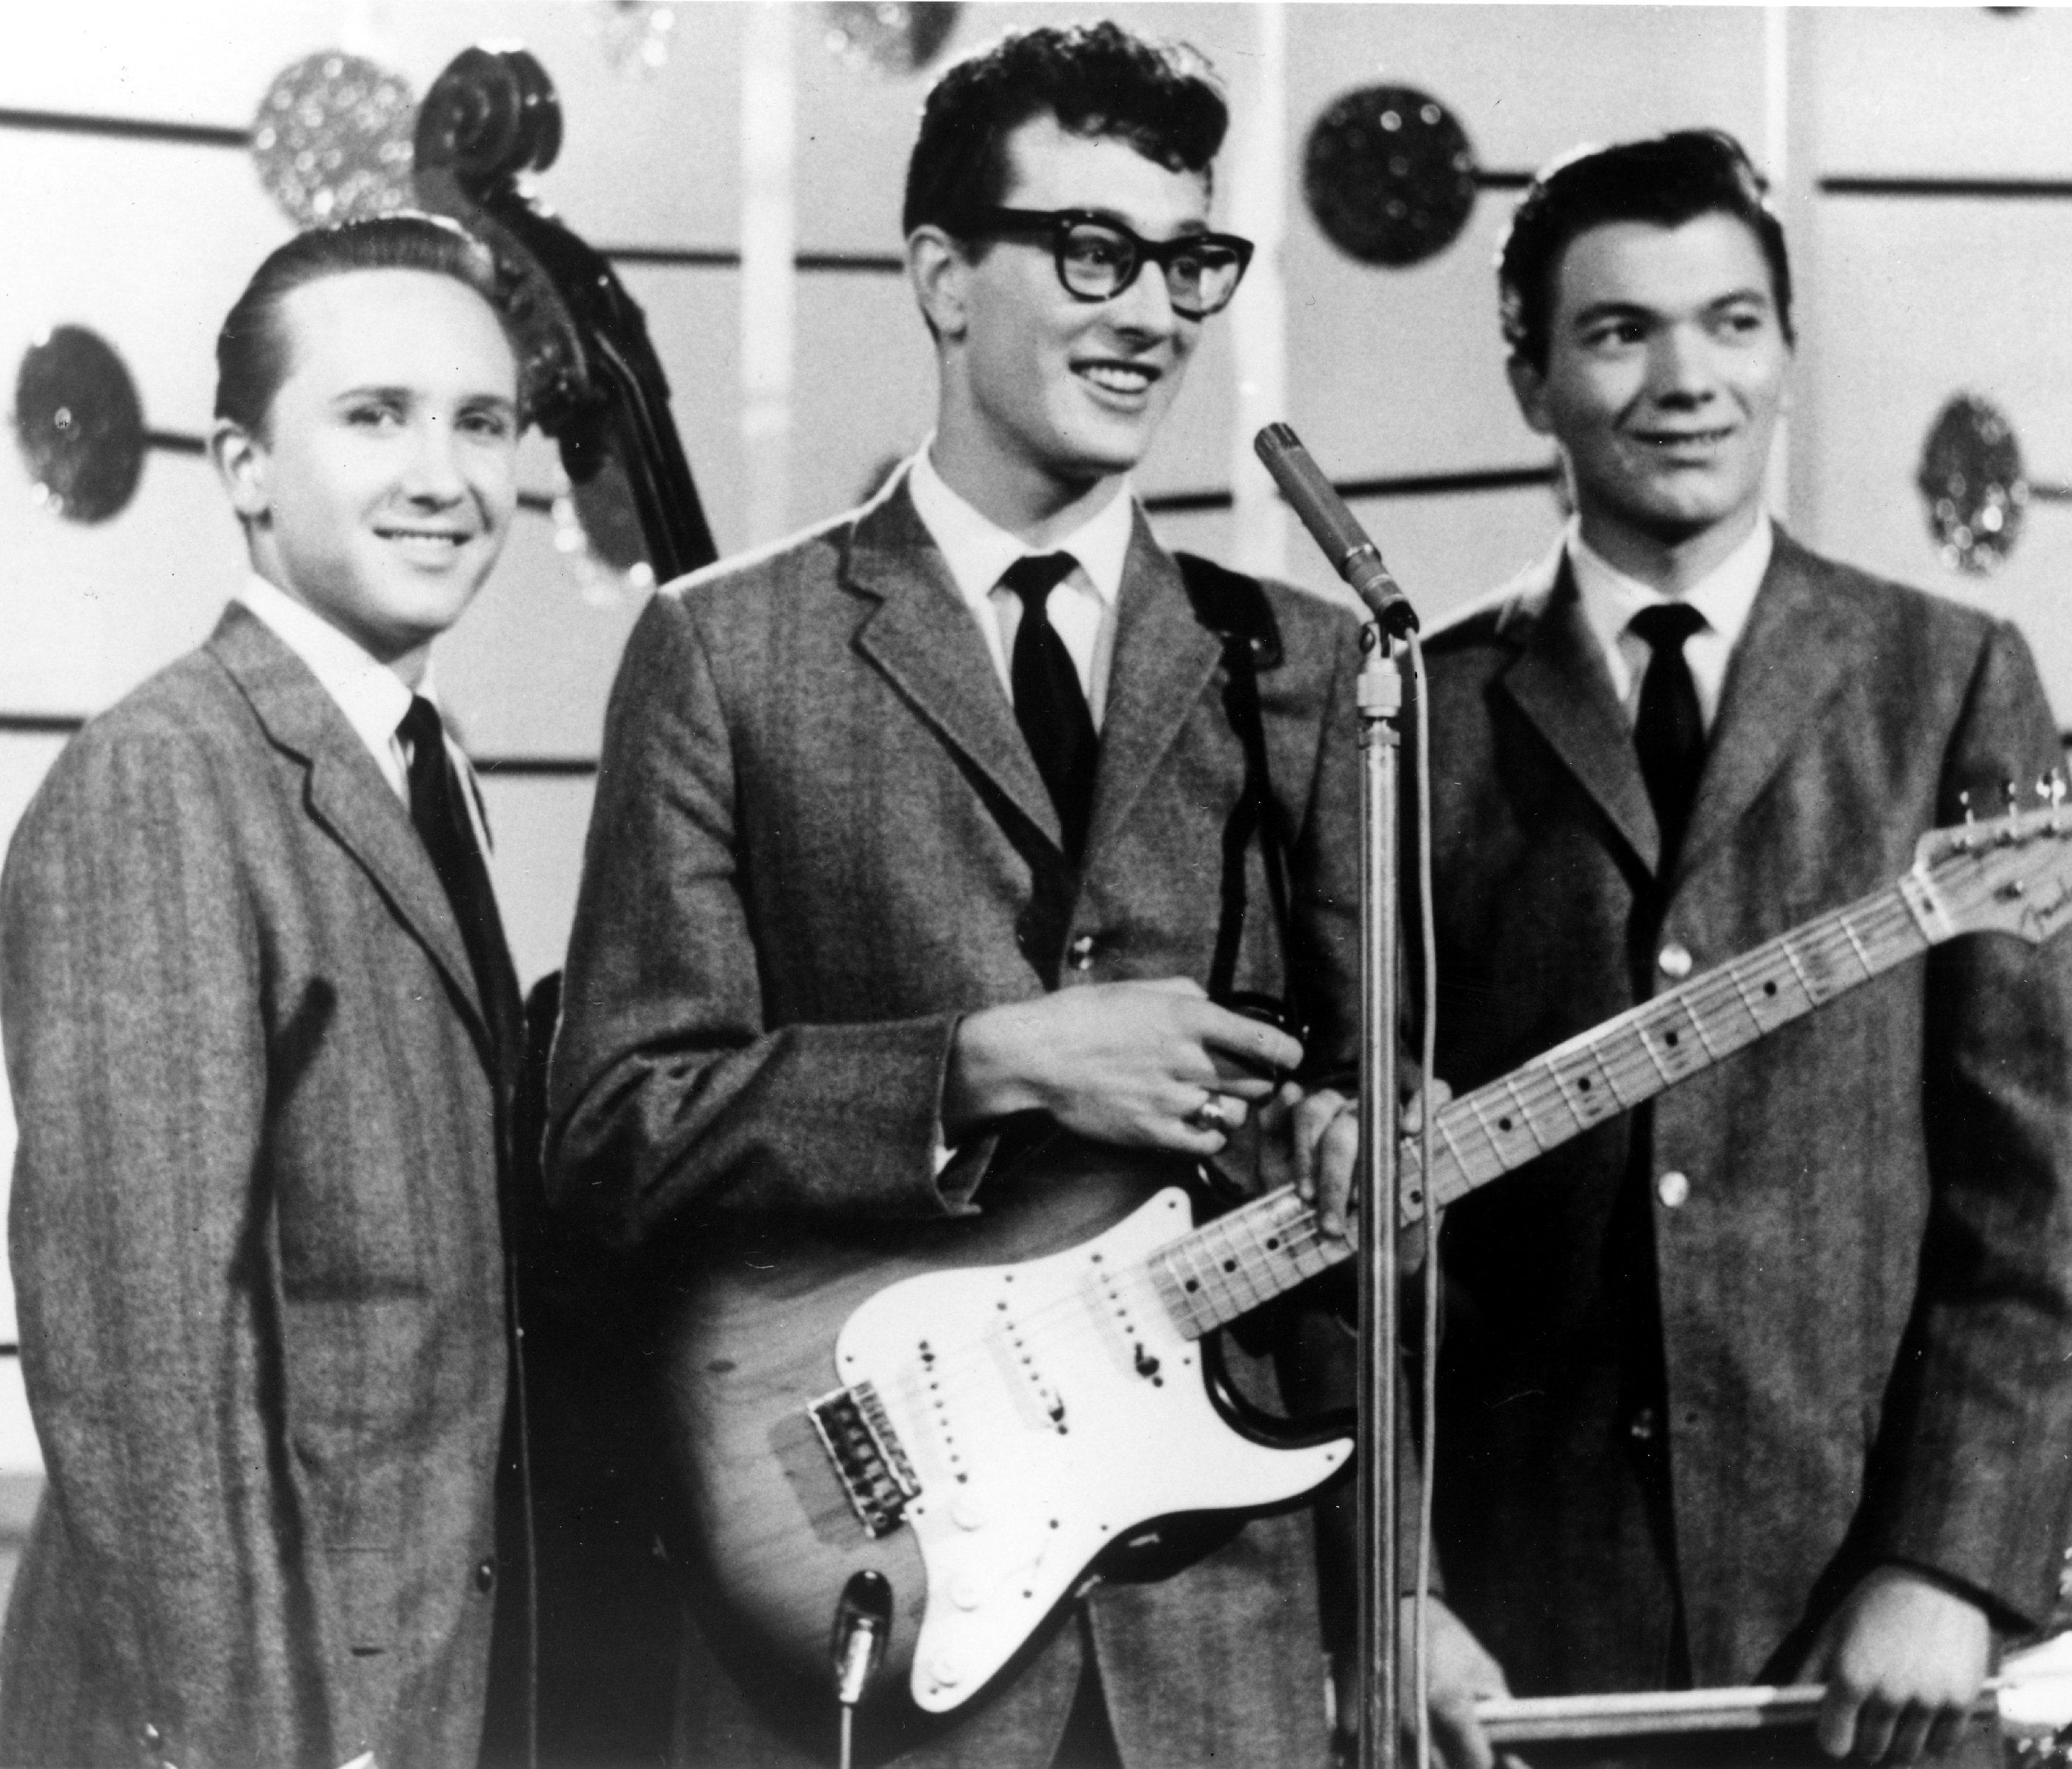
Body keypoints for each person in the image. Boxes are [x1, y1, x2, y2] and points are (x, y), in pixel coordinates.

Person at [545, 21, 1490, 1769]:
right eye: (1091, 251)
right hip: (858, 1639)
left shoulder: (1311, 664)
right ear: (939, 275)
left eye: (1189, 260)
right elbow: (617, 1123)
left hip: (1226, 1666)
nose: (1154, 313)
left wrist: (1373, 1140)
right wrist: (991, 1061)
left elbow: (1377, 1132)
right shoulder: (725, 653)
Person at [1417, 130, 2072, 1767]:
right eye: (1619, 332)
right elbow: (1358, 1230)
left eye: (1733, 324)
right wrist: (1394, 1590)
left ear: (1788, 355)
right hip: (1508, 1664)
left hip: (1870, 1649)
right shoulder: (1412, 723)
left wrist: (1951, 1563)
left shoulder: (1948, 681)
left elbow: (2040, 1191)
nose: (1687, 380)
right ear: (1531, 380)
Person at [0, 214, 533, 1769]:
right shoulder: (165, 777)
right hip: (268, 1724)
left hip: (417, 1682)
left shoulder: (426, 769)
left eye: (480, 422)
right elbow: (142, 1370)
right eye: (376, 416)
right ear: (241, 466)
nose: (445, 475)